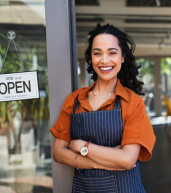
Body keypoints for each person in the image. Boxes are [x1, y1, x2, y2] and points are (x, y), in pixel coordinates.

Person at [50, 24, 156, 193]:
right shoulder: (74, 100)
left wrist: (82, 146)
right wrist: (101, 163)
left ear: (122, 57)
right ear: (91, 58)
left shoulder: (132, 102)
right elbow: (58, 153)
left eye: (112, 52)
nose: (104, 60)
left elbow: (127, 160)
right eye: (97, 53)